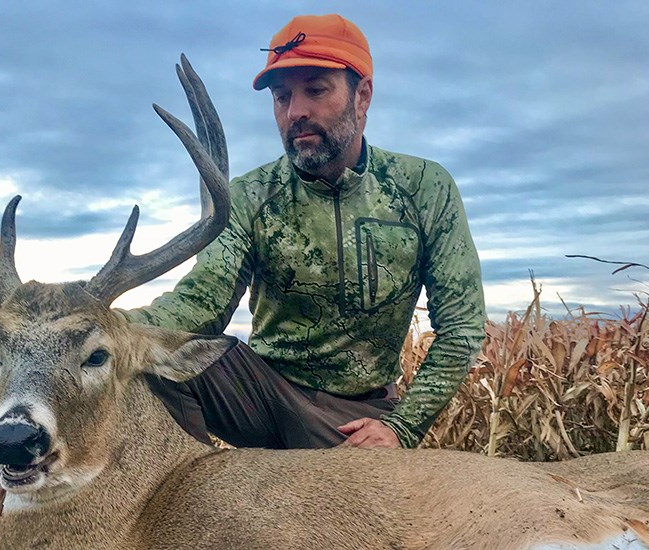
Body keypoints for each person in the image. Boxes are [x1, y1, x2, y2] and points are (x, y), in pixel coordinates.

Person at [122, 13, 486, 449]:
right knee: (154, 359)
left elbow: (462, 328)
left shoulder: (424, 187)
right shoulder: (249, 195)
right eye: (281, 97)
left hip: (358, 418)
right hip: (260, 395)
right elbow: (202, 301)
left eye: (315, 90)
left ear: (362, 95)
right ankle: (184, 498)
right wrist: (109, 325)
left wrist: (400, 428)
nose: (296, 112)